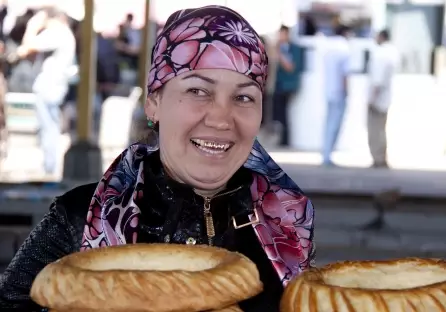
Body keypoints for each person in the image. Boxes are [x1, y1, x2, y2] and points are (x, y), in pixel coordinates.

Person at [0, 6, 316, 312]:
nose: (222, 119)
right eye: (198, 91)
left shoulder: (287, 224)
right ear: (154, 103)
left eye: (244, 97)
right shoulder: (78, 217)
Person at [15, 7, 76, 175]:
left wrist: (32, 26)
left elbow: (26, 48)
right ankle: (50, 166)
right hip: (55, 85)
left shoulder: (57, 32)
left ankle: (49, 168)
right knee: (51, 124)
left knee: (48, 126)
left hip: (49, 85)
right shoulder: (65, 34)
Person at [367, 29, 398, 168]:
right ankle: (381, 157)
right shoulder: (392, 53)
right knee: (381, 129)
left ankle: (378, 158)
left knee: (375, 130)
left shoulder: (380, 55)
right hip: (385, 98)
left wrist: (372, 99)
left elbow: (377, 80)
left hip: (378, 98)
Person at [321, 24, 351, 166]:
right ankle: (328, 156)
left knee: (328, 123)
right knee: (335, 124)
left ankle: (325, 153)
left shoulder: (328, 47)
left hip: (328, 90)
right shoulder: (344, 48)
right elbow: (344, 74)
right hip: (339, 91)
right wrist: (347, 91)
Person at [272, 25, 304, 147]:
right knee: (279, 113)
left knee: (283, 113)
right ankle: (281, 138)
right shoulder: (276, 48)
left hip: (288, 85)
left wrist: (279, 54)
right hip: (278, 85)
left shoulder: (294, 49)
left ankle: (285, 140)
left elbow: (290, 67)